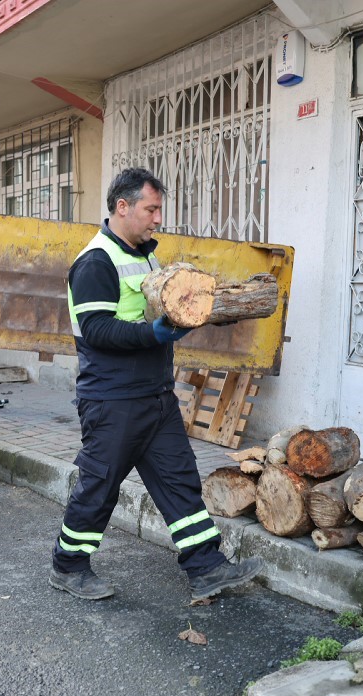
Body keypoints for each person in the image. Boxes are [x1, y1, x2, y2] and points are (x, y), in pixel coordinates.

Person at [50, 167, 264, 601]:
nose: (156, 218)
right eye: (150, 209)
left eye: (159, 210)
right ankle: (68, 565)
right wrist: (154, 335)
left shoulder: (147, 255)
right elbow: (97, 330)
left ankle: (207, 567)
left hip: (154, 396)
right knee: (100, 486)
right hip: (113, 401)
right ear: (122, 207)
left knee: (179, 480)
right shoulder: (95, 262)